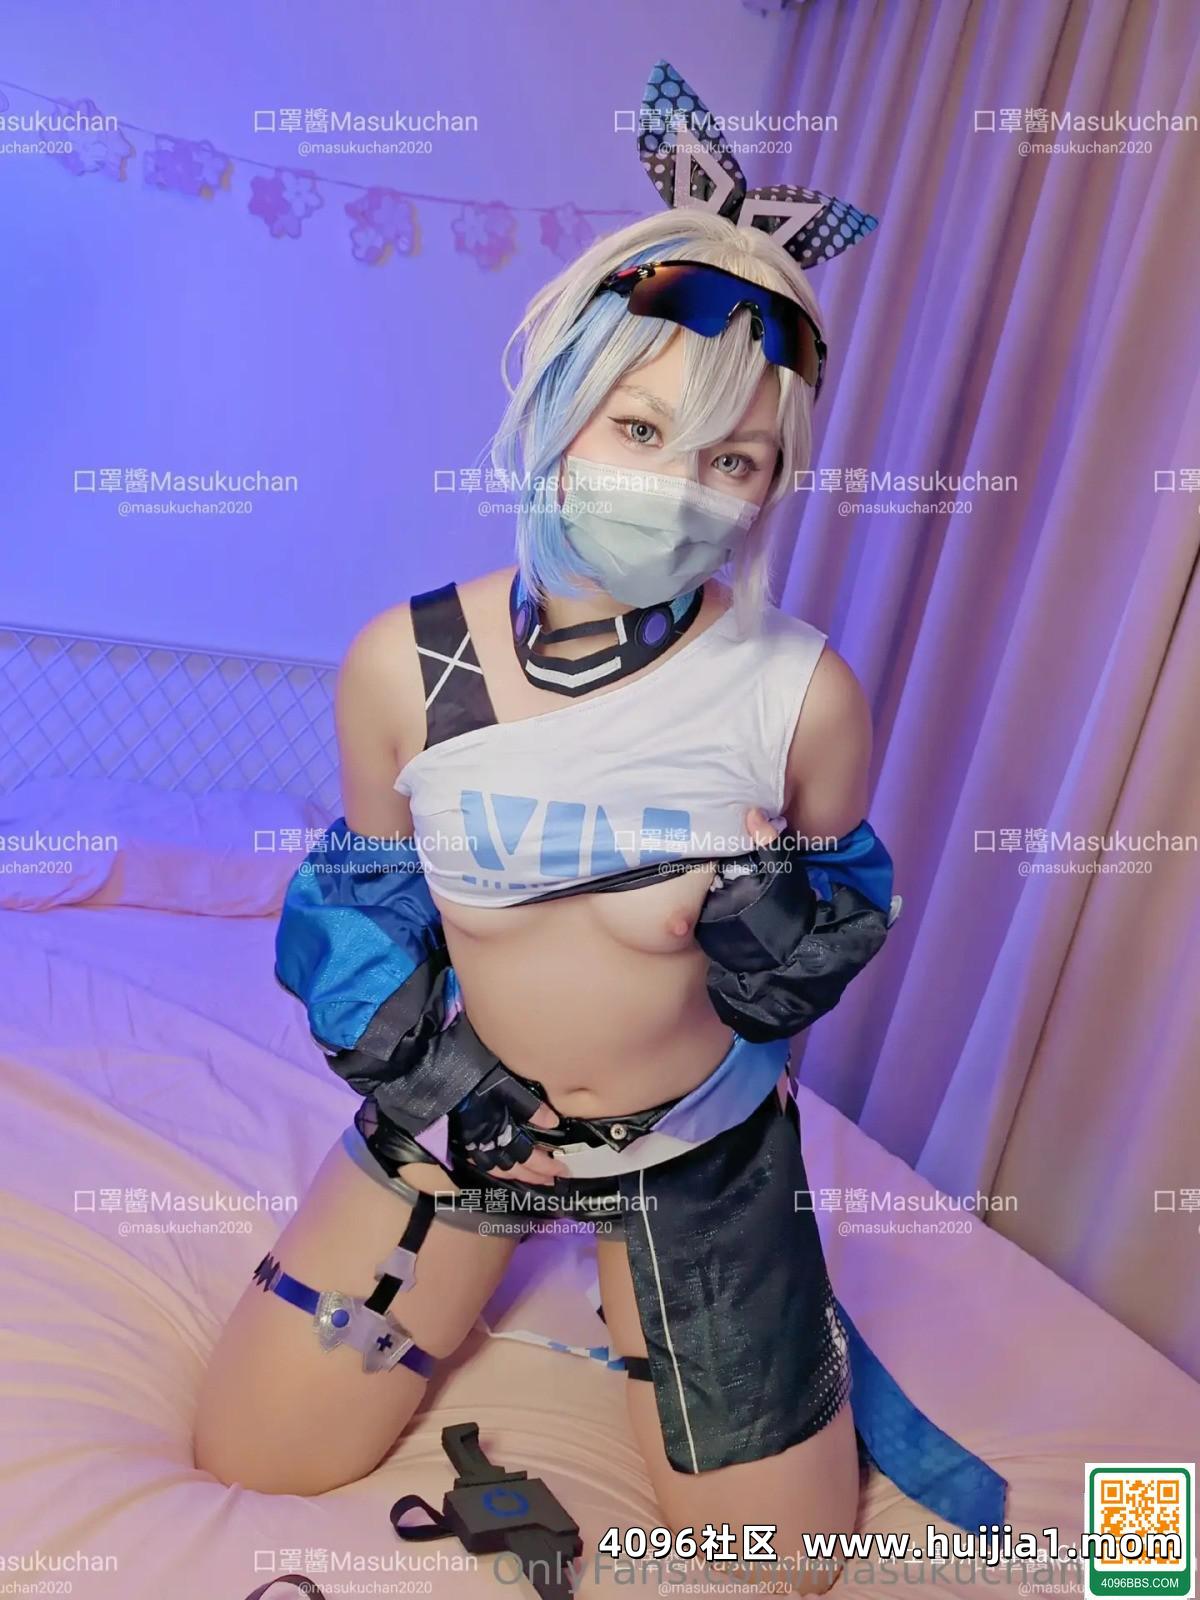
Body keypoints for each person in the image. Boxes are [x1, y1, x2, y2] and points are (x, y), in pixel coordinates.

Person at [194, 61, 1006, 1595]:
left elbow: (811, 960)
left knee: (782, 1566)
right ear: (559, 407)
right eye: (639, 427)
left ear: (774, 486)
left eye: (735, 461)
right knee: (254, 1456)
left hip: (695, 1144)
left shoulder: (803, 697)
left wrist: (754, 894)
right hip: (469, 1124)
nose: (680, 489)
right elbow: (364, 921)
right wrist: (451, 1100)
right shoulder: (405, 668)